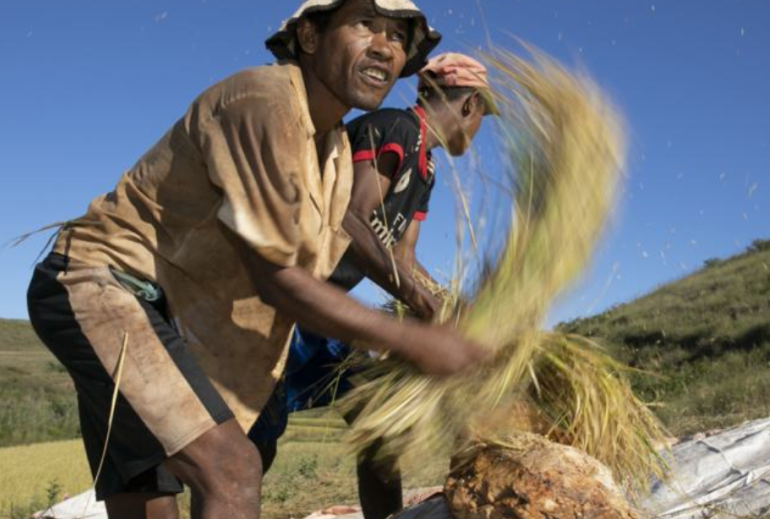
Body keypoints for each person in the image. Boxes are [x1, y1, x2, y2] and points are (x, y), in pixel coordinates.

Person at [25, 1, 486, 518]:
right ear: (310, 37)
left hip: (174, 316)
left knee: (154, 492)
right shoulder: (264, 101)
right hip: (101, 285)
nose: (384, 45)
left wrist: (434, 305)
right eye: (364, 25)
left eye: (398, 37)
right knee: (231, 469)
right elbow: (281, 279)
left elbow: (332, 247)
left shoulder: (332, 149)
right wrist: (416, 339)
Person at [248, 52, 497, 519]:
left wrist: (451, 307)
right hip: (286, 299)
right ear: (469, 106)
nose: (481, 127)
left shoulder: (426, 168)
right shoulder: (397, 130)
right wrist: (421, 302)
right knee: (252, 440)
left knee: (378, 422)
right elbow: (351, 217)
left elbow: (403, 257)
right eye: (484, 114)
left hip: (320, 311)